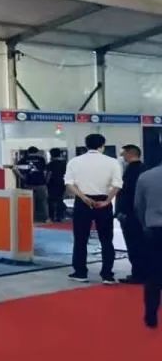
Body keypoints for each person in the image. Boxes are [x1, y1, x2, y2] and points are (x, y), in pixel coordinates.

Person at [65, 134, 122, 284]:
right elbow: (117, 185)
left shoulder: (75, 161)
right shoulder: (112, 162)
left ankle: (80, 272)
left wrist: (83, 198)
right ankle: (107, 275)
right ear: (102, 145)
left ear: (86, 145)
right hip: (103, 201)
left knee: (80, 239)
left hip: (82, 202)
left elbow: (69, 183)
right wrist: (107, 201)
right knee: (106, 239)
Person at [134, 162, 162, 328]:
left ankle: (151, 316)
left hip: (154, 229)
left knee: (153, 275)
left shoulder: (146, 177)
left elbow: (138, 205)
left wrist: (145, 224)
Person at [118, 145, 148, 284]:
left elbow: (126, 194)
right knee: (143, 244)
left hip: (130, 214)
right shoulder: (145, 169)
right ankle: (145, 272)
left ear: (130, 153)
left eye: (123, 153)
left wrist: (121, 212)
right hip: (143, 213)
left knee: (134, 244)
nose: (122, 156)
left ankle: (138, 273)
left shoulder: (131, 171)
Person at [16, 147, 49, 223]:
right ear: (37, 152)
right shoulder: (41, 159)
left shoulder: (23, 160)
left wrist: (22, 177)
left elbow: (15, 168)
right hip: (41, 184)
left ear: (28, 152)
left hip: (28, 183)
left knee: (29, 202)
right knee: (43, 202)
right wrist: (45, 180)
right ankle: (46, 218)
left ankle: (29, 219)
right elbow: (45, 171)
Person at [46, 148, 68, 222]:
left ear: (51, 155)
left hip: (52, 184)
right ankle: (60, 216)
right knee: (60, 199)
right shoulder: (64, 163)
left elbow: (49, 174)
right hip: (62, 183)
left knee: (51, 200)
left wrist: (46, 182)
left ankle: (51, 216)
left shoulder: (50, 164)